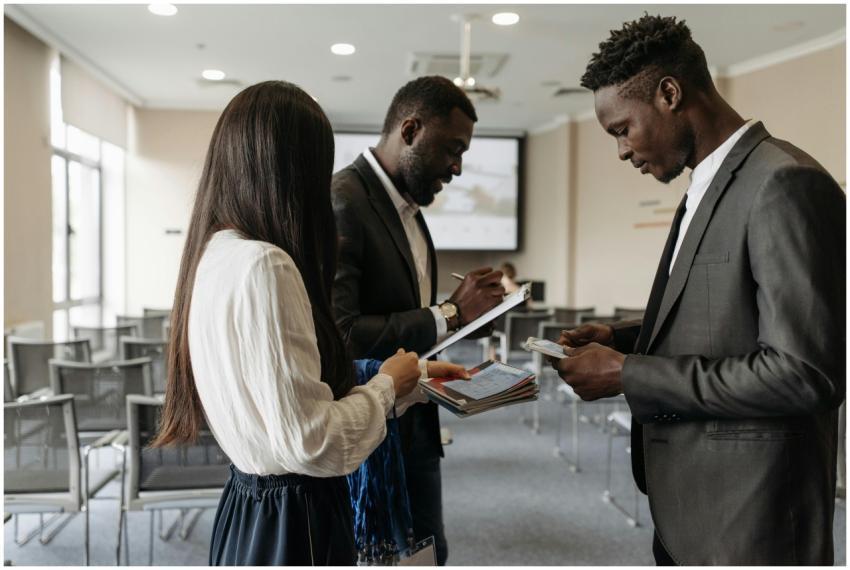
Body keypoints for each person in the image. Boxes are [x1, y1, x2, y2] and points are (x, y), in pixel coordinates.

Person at [552, 14, 845, 565]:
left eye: (621, 130)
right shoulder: (705, 185)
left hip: (751, 522)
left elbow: (805, 374)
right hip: (689, 509)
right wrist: (623, 338)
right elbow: (725, 314)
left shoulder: (785, 182)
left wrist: (626, 373)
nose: (621, 151)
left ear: (669, 93)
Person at [149, 81, 467, 566]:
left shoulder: (216, 253)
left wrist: (414, 381)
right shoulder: (267, 265)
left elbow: (282, 404)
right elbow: (314, 441)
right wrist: (386, 385)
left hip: (247, 504)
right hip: (297, 518)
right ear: (294, 172)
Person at [331, 75, 505, 565]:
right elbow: (343, 334)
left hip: (417, 428)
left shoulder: (407, 206)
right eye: (452, 149)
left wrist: (465, 321)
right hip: (371, 438)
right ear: (409, 130)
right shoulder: (344, 199)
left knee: (429, 555)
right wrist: (448, 312)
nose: (458, 167)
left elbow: (404, 312)